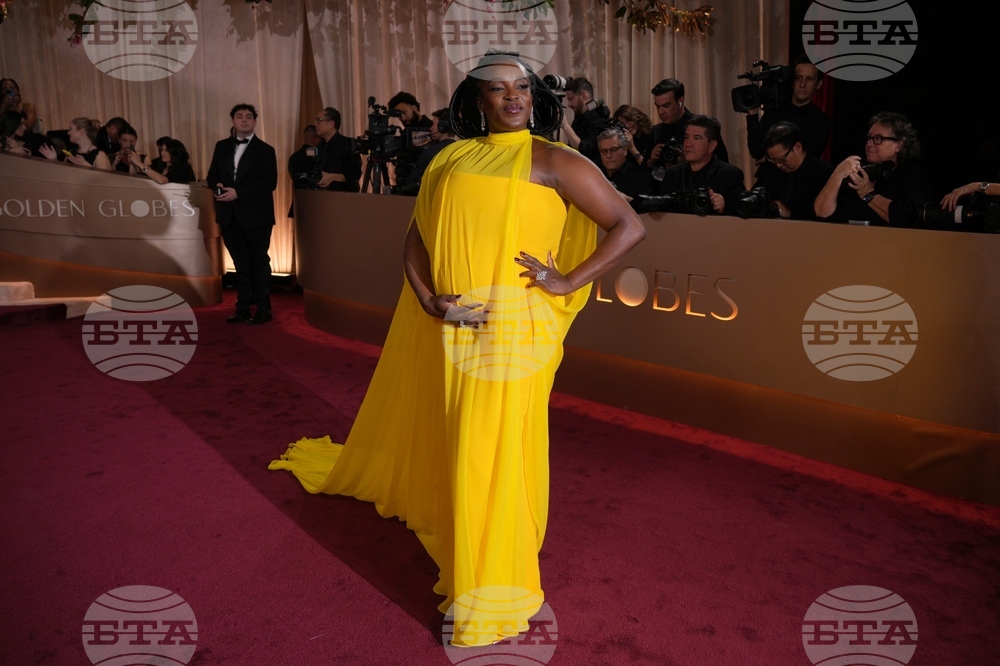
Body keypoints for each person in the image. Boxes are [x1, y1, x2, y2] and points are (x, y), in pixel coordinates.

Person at [269, 50, 645, 647]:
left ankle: (492, 583)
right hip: (457, 325)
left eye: (521, 87)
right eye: (498, 90)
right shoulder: (449, 158)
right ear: (476, 100)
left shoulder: (553, 159)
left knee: (493, 446)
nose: (513, 97)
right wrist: (428, 300)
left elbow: (629, 225)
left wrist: (568, 280)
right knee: (459, 437)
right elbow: (416, 237)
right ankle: (474, 554)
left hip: (517, 333)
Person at [207, 103, 278, 324]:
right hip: (229, 215)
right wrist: (217, 185)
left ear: (255, 121)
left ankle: (264, 309)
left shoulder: (265, 150)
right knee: (240, 263)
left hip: (256, 215)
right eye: (239, 116)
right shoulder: (221, 146)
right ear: (233, 121)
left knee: (258, 262)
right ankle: (243, 308)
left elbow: (269, 182)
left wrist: (238, 193)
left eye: (249, 116)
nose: (244, 120)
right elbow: (211, 175)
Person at [814, 111, 931, 226]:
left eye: (878, 138)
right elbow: (821, 212)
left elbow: (907, 217)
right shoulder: (859, 170)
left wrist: (868, 194)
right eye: (869, 138)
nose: (869, 143)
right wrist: (837, 174)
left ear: (899, 145)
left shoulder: (912, 173)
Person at [745, 55, 831, 161]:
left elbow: (805, 160)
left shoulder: (821, 121)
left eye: (809, 79)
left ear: (818, 84)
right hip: (768, 177)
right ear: (792, 82)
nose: (802, 84)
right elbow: (756, 152)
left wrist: (768, 159)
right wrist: (753, 114)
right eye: (798, 78)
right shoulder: (774, 111)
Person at [659, 114, 744, 214]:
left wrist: (724, 208)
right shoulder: (672, 174)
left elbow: (741, 215)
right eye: (686, 137)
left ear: (711, 146)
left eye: (697, 138)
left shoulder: (730, 175)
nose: (688, 144)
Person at [752, 122, 834, 221]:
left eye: (781, 159)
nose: (778, 165)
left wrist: (790, 213)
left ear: (798, 147)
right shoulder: (770, 170)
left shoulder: (823, 172)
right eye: (773, 160)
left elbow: (824, 214)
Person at [647, 78, 729, 169]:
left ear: (680, 102)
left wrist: (687, 164)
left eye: (666, 106)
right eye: (658, 106)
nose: (661, 111)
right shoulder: (655, 131)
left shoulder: (703, 127)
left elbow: (723, 166)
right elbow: (645, 172)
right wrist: (651, 160)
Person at [397, 108, 458, 195]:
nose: (431, 128)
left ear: (442, 127)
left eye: (433, 124)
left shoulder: (430, 152)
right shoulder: (461, 150)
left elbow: (410, 185)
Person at [557, 76, 609, 165]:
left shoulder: (598, 117)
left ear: (583, 95)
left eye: (571, 99)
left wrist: (565, 126)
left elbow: (586, 150)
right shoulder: (580, 116)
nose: (569, 105)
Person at [389, 91, 434, 185]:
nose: (403, 118)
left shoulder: (432, 129)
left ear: (414, 107)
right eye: (399, 116)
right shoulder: (405, 134)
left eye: (405, 112)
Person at [312, 107, 361, 192]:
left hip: (343, 196)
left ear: (331, 123)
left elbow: (354, 175)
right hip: (322, 195)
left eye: (319, 121)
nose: (315, 125)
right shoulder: (320, 145)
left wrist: (332, 177)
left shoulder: (347, 144)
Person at [597, 127, 655, 200]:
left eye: (613, 150)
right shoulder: (595, 175)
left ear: (624, 150)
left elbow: (646, 209)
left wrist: (628, 201)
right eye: (604, 151)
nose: (608, 155)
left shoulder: (642, 178)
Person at [39, 117, 112, 170]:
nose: (68, 132)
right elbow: (64, 174)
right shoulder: (72, 152)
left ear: (81, 131)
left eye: (71, 129)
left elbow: (106, 181)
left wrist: (87, 166)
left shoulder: (100, 155)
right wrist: (54, 159)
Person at [131, 138, 196, 184]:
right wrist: (133, 162)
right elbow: (144, 175)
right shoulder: (159, 164)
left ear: (175, 153)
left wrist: (139, 163)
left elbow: (162, 180)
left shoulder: (183, 168)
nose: (162, 153)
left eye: (166, 150)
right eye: (162, 150)